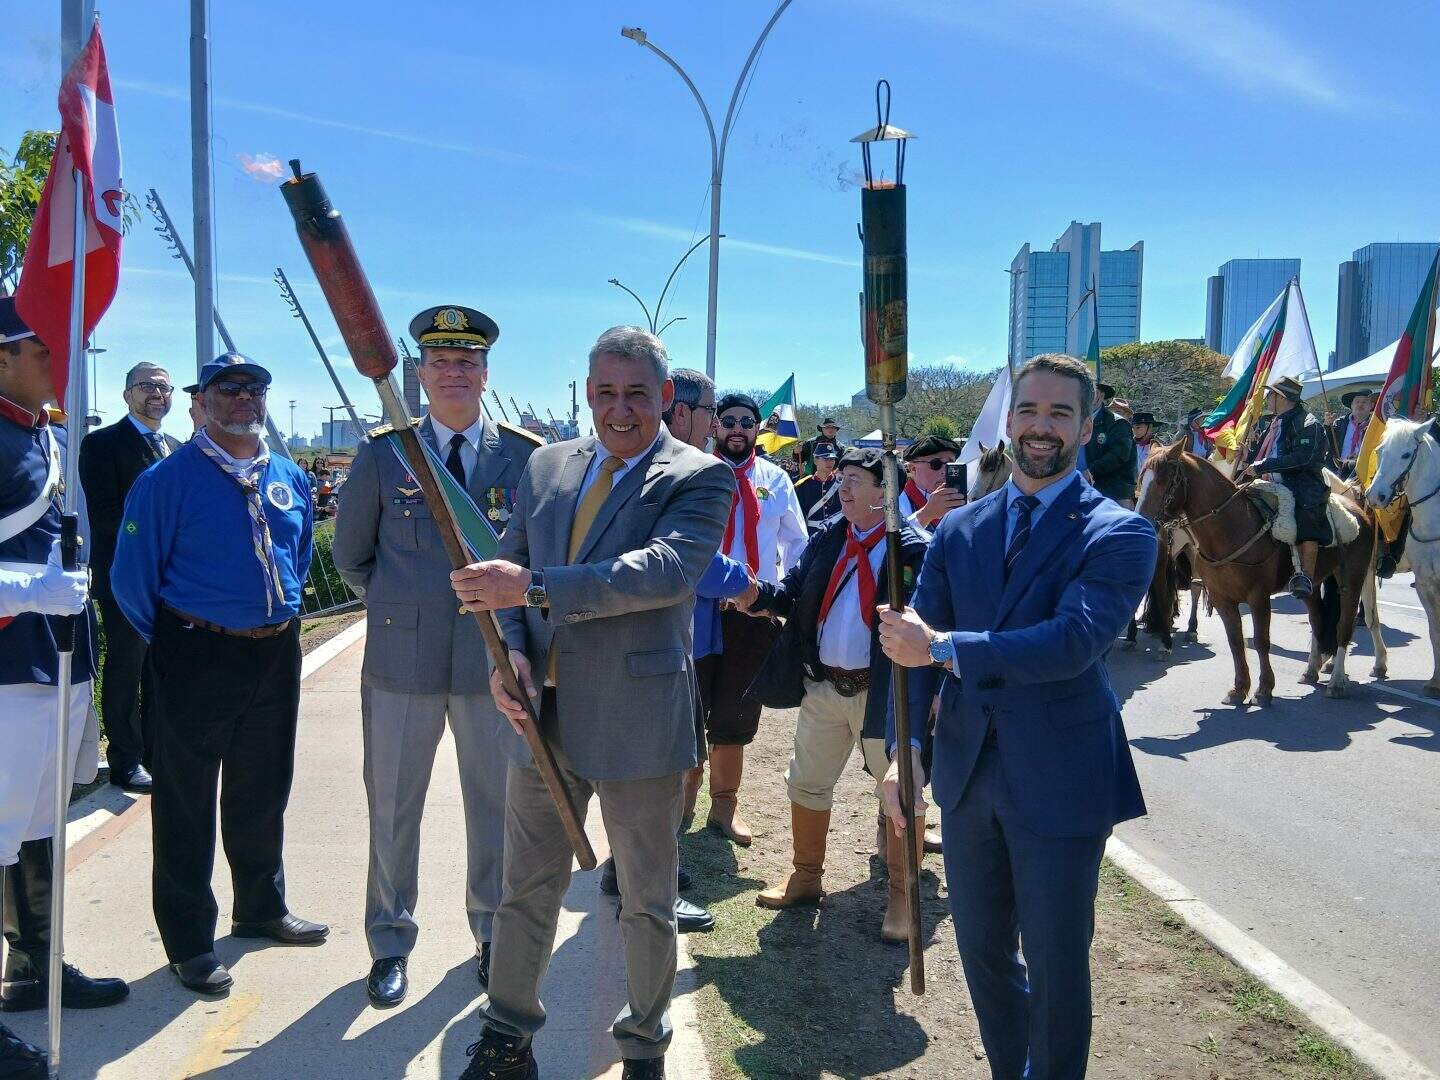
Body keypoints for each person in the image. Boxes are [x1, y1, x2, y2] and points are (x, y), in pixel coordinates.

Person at [447, 326, 733, 1080]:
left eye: (636, 393)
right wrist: (508, 646)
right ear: (586, 393)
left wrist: (534, 591)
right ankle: (508, 1036)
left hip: (641, 723)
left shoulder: (699, 476)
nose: (619, 409)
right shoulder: (547, 466)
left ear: (665, 398)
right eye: (604, 392)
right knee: (525, 889)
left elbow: (665, 571)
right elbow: (510, 562)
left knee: (645, 899)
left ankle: (643, 1042)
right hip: (542, 721)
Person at [877, 353, 1156, 1080]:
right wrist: (905, 749)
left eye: (1060, 413)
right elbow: (906, 647)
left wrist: (943, 649)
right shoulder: (961, 530)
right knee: (983, 953)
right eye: (1029, 410)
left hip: (1062, 778)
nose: (1041, 426)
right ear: (1008, 419)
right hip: (967, 775)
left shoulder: (1120, 532)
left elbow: (1072, 642)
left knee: (1059, 964)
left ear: (1087, 427)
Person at [331, 305, 542, 1008]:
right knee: (392, 807)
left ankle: (491, 934)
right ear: (419, 374)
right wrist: (406, 610)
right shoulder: (385, 454)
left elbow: (537, 559)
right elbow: (352, 557)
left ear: (485, 373)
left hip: (491, 664)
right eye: (440, 360)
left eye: (466, 361)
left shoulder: (527, 457)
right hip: (402, 664)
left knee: (495, 807)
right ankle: (390, 941)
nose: (453, 372)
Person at [111, 352, 325, 995]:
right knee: (185, 801)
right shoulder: (166, 480)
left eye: (253, 387)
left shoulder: (286, 473)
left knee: (263, 787)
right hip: (195, 651)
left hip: (273, 650)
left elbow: (301, 551)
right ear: (200, 402)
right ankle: (188, 941)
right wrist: (177, 642)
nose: (242, 397)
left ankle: (260, 907)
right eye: (225, 388)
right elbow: (131, 578)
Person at [0, 301, 129, 1073]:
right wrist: (20, 588)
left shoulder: (38, 429)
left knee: (36, 826)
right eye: (42, 345)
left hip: (58, 658)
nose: (59, 358)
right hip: (10, 661)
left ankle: (32, 972)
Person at [593, 365, 757, 935]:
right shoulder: (670, 474)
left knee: (651, 771)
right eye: (712, 413)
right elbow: (691, 561)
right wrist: (748, 586)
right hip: (651, 650)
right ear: (683, 413)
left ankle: (629, 872)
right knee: (655, 773)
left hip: (663, 642)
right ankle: (649, 890)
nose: (715, 426)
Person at [742, 448, 927, 939]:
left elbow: (928, 627)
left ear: (885, 492)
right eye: (841, 478)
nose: (841, 488)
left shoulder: (913, 548)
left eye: (854, 481)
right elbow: (792, 594)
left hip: (883, 695)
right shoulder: (828, 539)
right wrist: (752, 593)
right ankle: (806, 878)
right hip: (824, 686)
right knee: (806, 782)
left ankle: (901, 900)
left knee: (898, 794)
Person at [697, 393, 807, 846]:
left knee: (736, 713)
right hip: (700, 608)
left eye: (746, 421)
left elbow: (797, 544)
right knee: (687, 707)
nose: (737, 428)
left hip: (753, 611)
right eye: (729, 421)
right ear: (716, 426)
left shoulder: (776, 479)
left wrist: (780, 598)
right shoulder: (694, 472)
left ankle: (724, 809)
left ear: (757, 429)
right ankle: (680, 807)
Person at [78, 362, 181, 793]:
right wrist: (156, 536)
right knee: (127, 666)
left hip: (173, 582)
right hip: (126, 578)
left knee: (161, 669)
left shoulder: (176, 446)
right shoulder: (102, 444)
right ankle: (125, 758)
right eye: (147, 386)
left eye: (164, 387)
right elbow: (105, 515)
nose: (157, 393)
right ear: (126, 395)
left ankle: (158, 753)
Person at [1239, 375, 1331, 598]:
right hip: (1267, 480)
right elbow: (1267, 454)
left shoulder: (1309, 424)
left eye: (1271, 394)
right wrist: (1248, 456)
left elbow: (1302, 458)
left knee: (1307, 515)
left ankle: (1305, 576)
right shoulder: (1274, 422)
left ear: (1282, 397)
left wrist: (1263, 466)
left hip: (1301, 483)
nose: (1268, 398)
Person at [898, 434, 967, 538]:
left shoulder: (961, 499)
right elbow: (893, 543)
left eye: (951, 465)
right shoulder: (898, 502)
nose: (945, 471)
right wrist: (926, 515)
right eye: (936, 464)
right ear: (913, 469)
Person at [1085, 382, 1137, 506]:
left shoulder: (1117, 423)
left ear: (1100, 396)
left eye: (1092, 391)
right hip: (1085, 489)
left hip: (1115, 493)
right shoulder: (1077, 421)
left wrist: (1090, 471)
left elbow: (1119, 455)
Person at [794, 444, 842, 527]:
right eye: (825, 459)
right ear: (815, 460)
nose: (829, 462)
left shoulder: (841, 484)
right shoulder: (803, 486)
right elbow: (798, 516)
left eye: (832, 459)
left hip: (837, 534)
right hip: (813, 535)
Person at [1332, 389, 1375, 479]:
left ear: (1371, 405)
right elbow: (1329, 446)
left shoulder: (1376, 426)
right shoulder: (1338, 423)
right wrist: (1327, 427)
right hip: (1339, 473)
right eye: (1357, 401)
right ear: (1351, 405)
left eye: (1364, 402)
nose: (1360, 405)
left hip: (1364, 474)